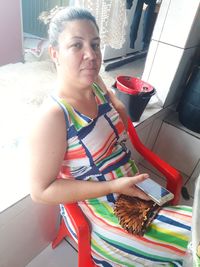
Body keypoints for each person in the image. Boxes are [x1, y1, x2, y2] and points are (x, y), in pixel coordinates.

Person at [28, 6, 192, 267]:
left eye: (95, 44)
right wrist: (113, 187)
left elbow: (120, 117)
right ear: (54, 53)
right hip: (100, 211)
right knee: (191, 243)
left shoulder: (95, 84)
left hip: (132, 189)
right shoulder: (53, 116)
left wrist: (115, 101)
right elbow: (40, 191)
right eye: (77, 45)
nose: (91, 55)